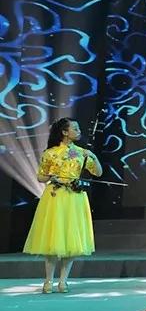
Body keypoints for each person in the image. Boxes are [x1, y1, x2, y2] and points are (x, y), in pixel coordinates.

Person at [23, 118, 102, 294]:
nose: (79, 131)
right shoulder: (50, 153)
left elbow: (98, 172)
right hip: (55, 197)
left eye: (78, 128)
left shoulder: (82, 152)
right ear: (65, 132)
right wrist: (51, 177)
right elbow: (40, 177)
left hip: (75, 197)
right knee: (53, 238)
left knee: (71, 239)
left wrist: (94, 157)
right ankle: (48, 281)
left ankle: (63, 281)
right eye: (75, 128)